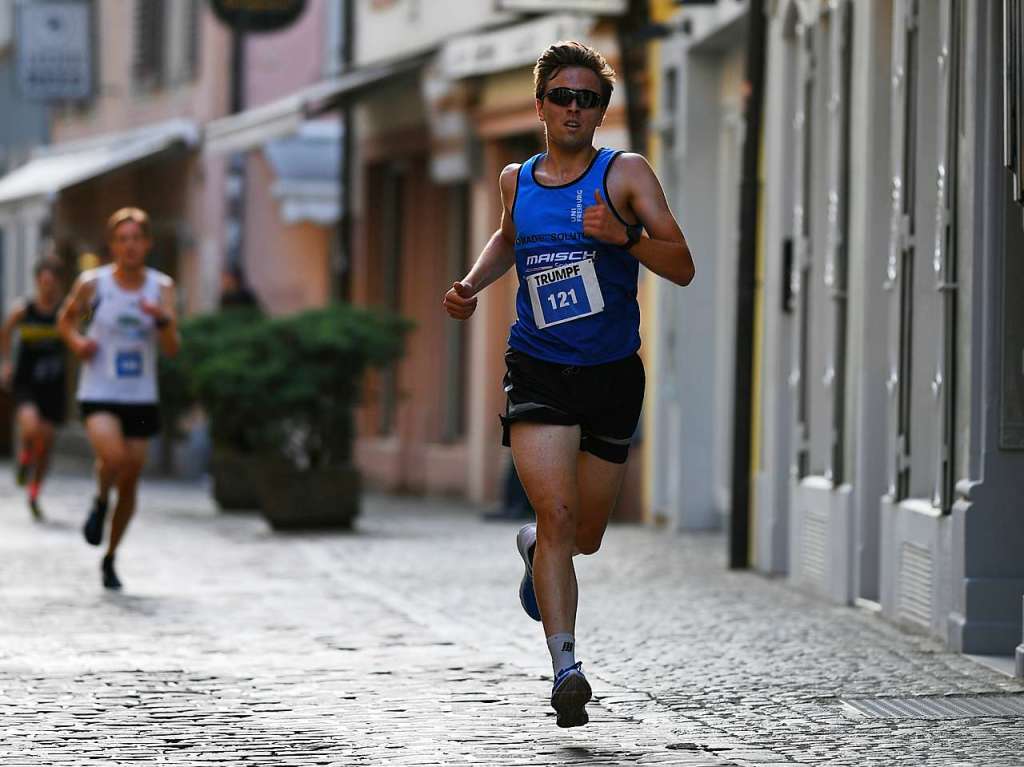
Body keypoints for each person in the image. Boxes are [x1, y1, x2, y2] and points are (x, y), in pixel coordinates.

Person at [442, 41, 694, 728]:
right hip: (538, 366)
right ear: (541, 105)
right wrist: (471, 282)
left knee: (583, 533)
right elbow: (506, 237)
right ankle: (565, 666)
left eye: (587, 98)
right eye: (563, 96)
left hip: (612, 374)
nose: (574, 108)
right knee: (556, 515)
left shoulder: (626, 174)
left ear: (601, 110)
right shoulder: (515, 180)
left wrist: (623, 235)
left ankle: (533, 548)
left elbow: (682, 264)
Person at [58, 207, 180, 590]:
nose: (129, 246)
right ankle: (99, 499)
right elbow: (65, 319)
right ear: (112, 245)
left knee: (130, 478)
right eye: (122, 239)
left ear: (147, 244)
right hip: (99, 389)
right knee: (113, 457)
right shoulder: (93, 284)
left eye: (136, 239)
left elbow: (173, 348)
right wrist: (78, 342)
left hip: (140, 394)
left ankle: (111, 556)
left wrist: (161, 319)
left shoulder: (161, 288)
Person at [0, 258, 68, 518]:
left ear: (58, 283)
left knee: (46, 444)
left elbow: (82, 324)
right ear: (37, 281)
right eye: (43, 281)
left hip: (53, 385)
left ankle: (34, 492)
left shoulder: (64, 311)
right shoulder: (23, 310)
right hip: (26, 382)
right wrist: (6, 362)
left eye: (52, 282)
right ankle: (24, 458)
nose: (48, 286)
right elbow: (5, 333)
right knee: (31, 428)